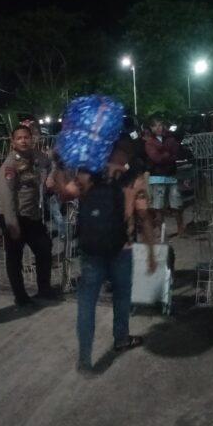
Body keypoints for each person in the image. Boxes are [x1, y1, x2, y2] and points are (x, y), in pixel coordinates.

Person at [52, 140, 156, 377]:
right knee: (122, 296)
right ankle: (121, 339)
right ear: (124, 153)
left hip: (91, 250)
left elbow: (64, 194)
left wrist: (58, 166)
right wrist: (151, 251)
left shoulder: (88, 175)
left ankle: (84, 360)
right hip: (123, 248)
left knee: (87, 304)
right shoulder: (134, 178)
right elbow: (143, 216)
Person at [0, 125, 54, 306]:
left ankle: (44, 289)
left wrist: (51, 176)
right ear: (13, 142)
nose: (23, 141)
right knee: (15, 257)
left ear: (32, 139)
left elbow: (50, 164)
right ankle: (20, 296)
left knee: (44, 248)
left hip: (31, 215)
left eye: (26, 137)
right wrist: (12, 224)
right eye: (19, 138)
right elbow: (7, 195)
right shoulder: (10, 165)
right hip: (13, 215)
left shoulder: (37, 156)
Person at [145, 116, 185, 236]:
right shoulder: (149, 142)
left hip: (171, 175)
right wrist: (168, 154)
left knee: (177, 205)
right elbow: (156, 158)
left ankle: (180, 229)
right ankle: (162, 233)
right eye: (155, 125)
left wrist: (164, 154)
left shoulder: (169, 138)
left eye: (160, 125)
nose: (158, 128)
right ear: (151, 128)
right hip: (157, 177)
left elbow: (176, 154)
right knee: (158, 207)